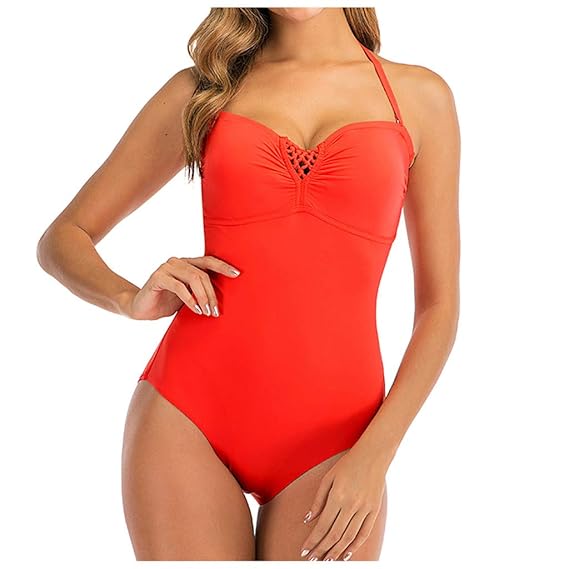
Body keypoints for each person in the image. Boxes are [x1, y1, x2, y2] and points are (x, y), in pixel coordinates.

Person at [36, 7, 460, 562]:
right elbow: (63, 237)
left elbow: (438, 308)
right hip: (188, 414)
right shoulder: (203, 92)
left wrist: (376, 455)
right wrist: (127, 298)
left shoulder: (419, 98)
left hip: (340, 440)